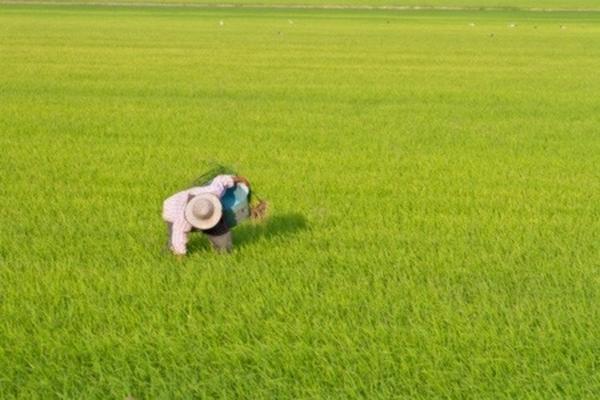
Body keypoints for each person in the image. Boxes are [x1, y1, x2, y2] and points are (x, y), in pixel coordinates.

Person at [162, 174, 264, 256]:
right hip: (172, 209)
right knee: (173, 244)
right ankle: (170, 251)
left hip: (202, 204)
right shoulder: (182, 221)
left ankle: (224, 253)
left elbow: (221, 180)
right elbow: (178, 238)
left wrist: (239, 179)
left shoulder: (213, 192)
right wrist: (180, 257)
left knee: (222, 239)